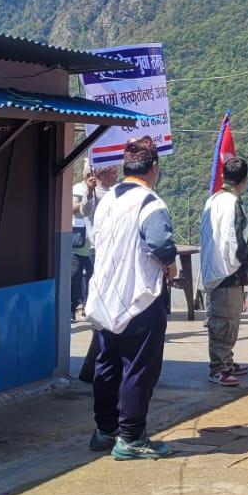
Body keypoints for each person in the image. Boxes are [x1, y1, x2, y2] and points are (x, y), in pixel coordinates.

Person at [85, 135, 179, 460]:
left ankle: (105, 430)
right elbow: (161, 243)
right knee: (138, 368)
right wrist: (170, 264)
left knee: (107, 364)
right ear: (154, 167)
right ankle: (131, 436)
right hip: (139, 297)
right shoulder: (151, 203)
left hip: (104, 296)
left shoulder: (108, 199)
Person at [198, 156, 248, 385]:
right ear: (244, 181)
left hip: (215, 267)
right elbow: (236, 240)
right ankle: (219, 368)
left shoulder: (213, 200)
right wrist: (243, 264)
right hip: (228, 272)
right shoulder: (233, 203)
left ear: (223, 176)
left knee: (228, 319)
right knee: (223, 322)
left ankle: (227, 360)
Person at [75, 162, 119, 384]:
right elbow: (85, 210)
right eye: (112, 171)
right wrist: (90, 191)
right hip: (98, 251)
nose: (116, 174)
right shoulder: (94, 194)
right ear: (102, 173)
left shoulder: (117, 192)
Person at [69, 164, 95, 318]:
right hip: (78, 241)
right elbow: (70, 208)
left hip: (94, 242)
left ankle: (88, 307)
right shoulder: (77, 189)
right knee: (75, 277)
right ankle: (71, 309)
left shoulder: (103, 191)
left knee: (93, 278)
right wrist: (87, 201)